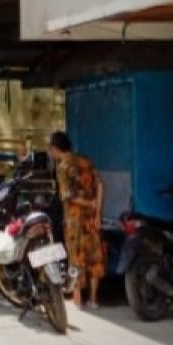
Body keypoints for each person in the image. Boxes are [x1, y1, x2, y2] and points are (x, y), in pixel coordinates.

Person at [48, 130, 104, 310]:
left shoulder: (63, 166)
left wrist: (87, 203)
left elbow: (68, 196)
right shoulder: (85, 160)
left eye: (50, 150)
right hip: (91, 219)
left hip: (74, 220)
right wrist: (97, 211)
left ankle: (78, 296)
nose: (51, 154)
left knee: (76, 256)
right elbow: (101, 184)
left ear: (56, 149)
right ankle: (94, 299)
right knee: (94, 256)